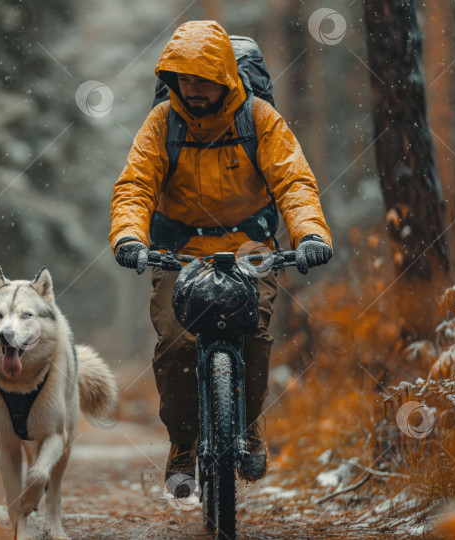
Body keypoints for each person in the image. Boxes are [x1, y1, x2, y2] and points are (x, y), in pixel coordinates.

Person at [109, 21, 333, 488]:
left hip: (249, 250)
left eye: (200, 78)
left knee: (251, 331)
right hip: (179, 251)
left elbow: (294, 181)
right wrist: (130, 238)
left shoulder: (259, 119)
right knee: (176, 341)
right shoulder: (162, 123)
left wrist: (309, 234)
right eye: (181, 78)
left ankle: (248, 428)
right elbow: (135, 185)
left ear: (224, 75)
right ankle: (184, 445)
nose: (190, 88)